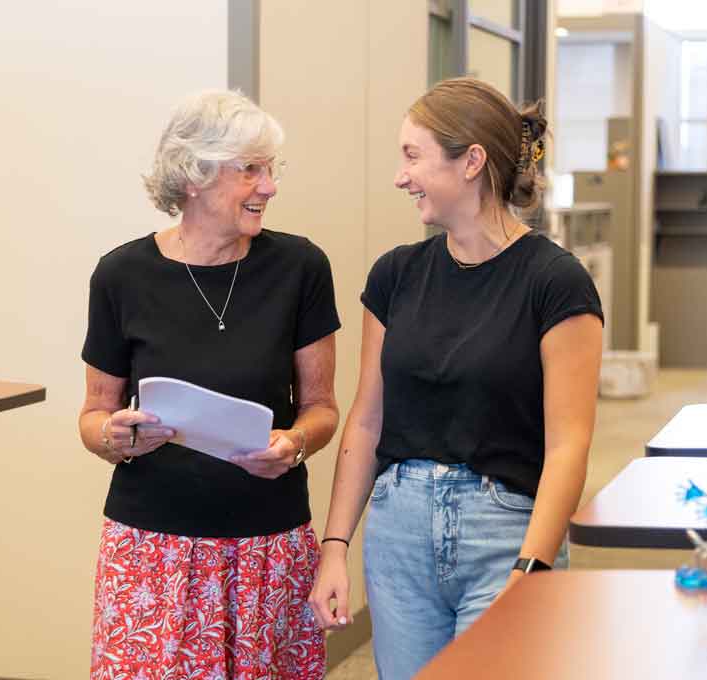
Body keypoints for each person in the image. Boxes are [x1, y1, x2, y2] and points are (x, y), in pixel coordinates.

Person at [308, 77, 603, 680]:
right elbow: (367, 420)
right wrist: (334, 547)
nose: (400, 175)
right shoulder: (395, 276)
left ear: (471, 162)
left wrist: (532, 570)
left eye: (412, 155)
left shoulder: (555, 283)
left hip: (504, 535)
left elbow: (568, 444)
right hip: (398, 539)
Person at [78, 90, 340, 679]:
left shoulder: (300, 269)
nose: (269, 186)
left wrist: (293, 444)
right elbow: (94, 415)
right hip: (152, 555)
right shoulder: (121, 275)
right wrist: (115, 437)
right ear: (194, 176)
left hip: (267, 551)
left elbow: (322, 408)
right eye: (250, 169)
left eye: (271, 169)